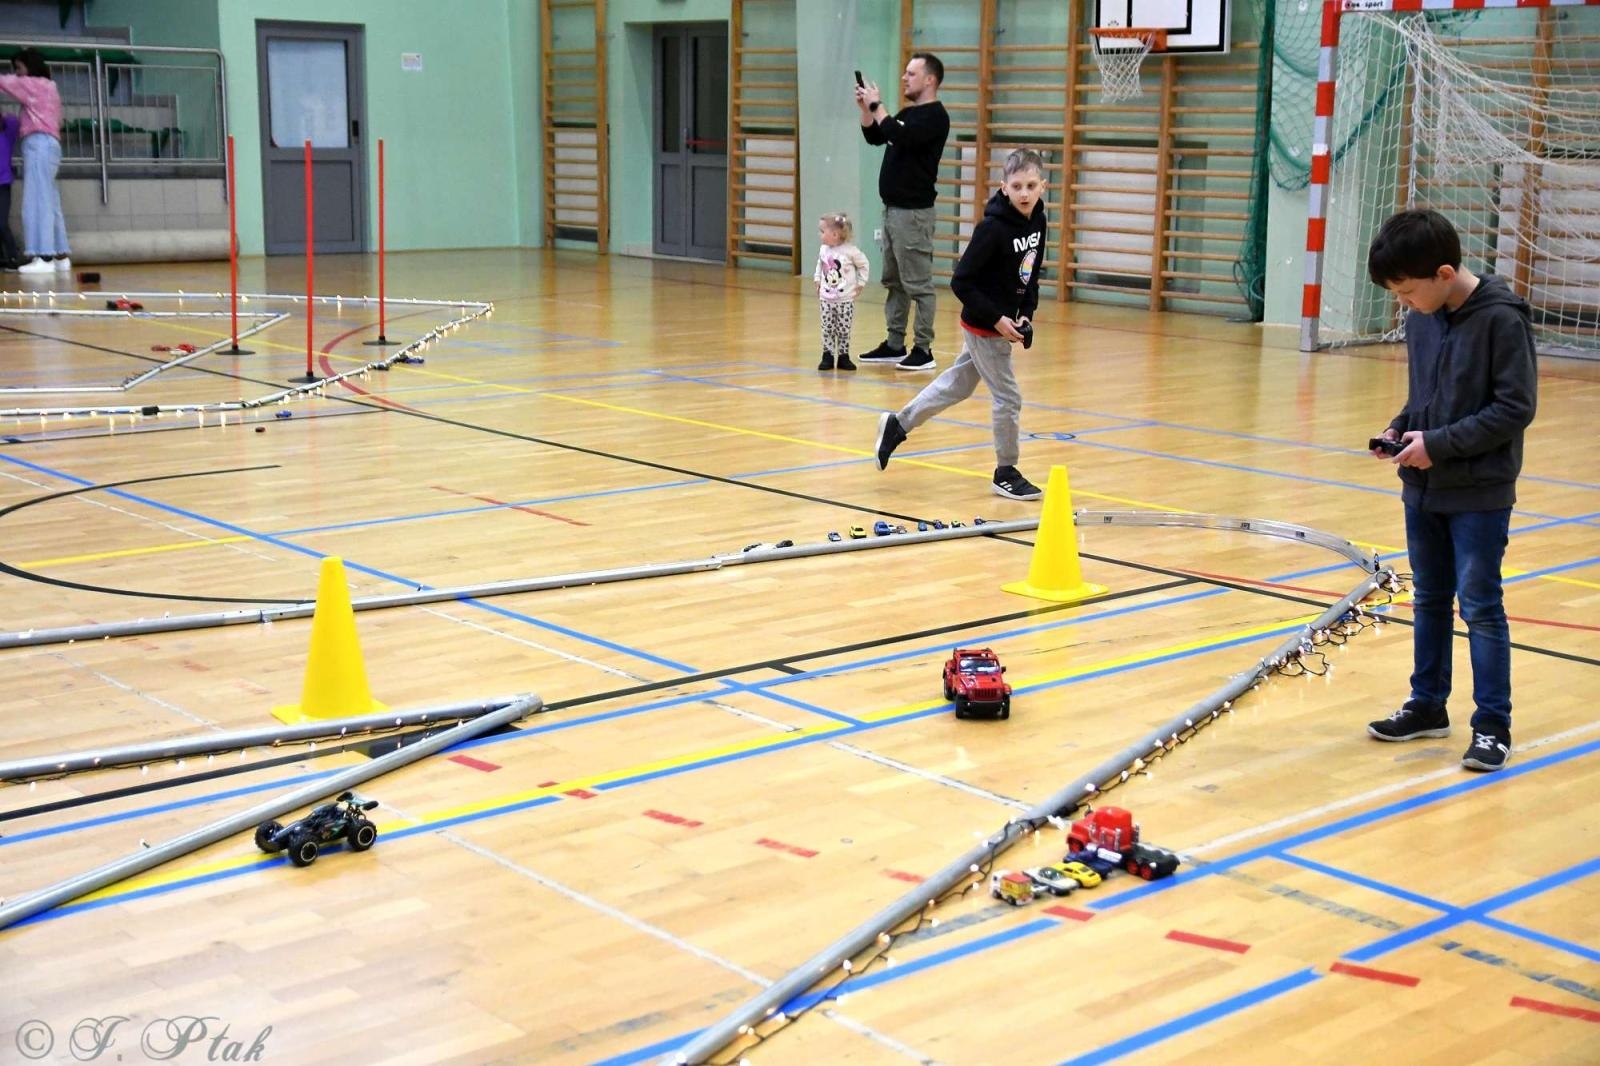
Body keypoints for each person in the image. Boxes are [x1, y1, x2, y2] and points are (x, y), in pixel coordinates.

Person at [1363, 208, 1537, 772]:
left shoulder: (1502, 320)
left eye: (1407, 291)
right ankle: (1427, 705)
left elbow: (1514, 408)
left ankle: (1492, 724)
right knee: (1430, 598)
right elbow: (1426, 396)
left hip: (1479, 493)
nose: (1404, 303)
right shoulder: (1423, 317)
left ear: (1443, 273)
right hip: (1422, 488)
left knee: (1480, 606)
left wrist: (1438, 443)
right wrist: (1400, 427)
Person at [872, 148, 1048, 501]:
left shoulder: (1038, 222)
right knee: (1009, 398)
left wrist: (1025, 313)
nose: (1024, 193)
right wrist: (997, 319)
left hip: (1001, 323)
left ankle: (898, 424)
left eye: (1031, 186)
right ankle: (1006, 471)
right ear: (1004, 187)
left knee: (958, 385)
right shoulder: (992, 229)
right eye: (1016, 186)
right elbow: (961, 281)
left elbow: (1029, 275)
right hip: (984, 326)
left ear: (1042, 186)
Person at [854, 52, 949, 373]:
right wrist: (866, 110)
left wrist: (878, 106)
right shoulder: (908, 113)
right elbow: (876, 136)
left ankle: (924, 349)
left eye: (911, 73)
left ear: (930, 80)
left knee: (918, 284)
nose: (904, 78)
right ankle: (895, 344)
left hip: (914, 215)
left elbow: (901, 135)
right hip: (893, 212)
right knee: (894, 281)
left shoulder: (935, 117)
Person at [0, 49, 71, 275]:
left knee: (37, 199)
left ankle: (43, 256)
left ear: (29, 67)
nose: (17, 73)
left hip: (39, 144)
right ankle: (60, 256)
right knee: (50, 199)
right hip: (50, 145)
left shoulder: (33, 84)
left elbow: (4, 82)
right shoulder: (50, 87)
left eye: (19, 68)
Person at [813, 211, 870, 372]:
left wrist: (861, 283)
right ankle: (828, 356)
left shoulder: (851, 251)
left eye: (822, 231)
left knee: (843, 329)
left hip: (845, 300)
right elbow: (820, 264)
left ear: (835, 235)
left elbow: (864, 265)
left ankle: (843, 356)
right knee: (827, 328)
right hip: (826, 299)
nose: (820, 235)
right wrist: (817, 278)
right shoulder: (824, 249)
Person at [0, 110, 20, 268]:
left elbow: (14, 121)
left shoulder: (6, 135)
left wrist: (3, 116)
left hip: (3, 184)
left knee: (1, 223)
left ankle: (13, 256)